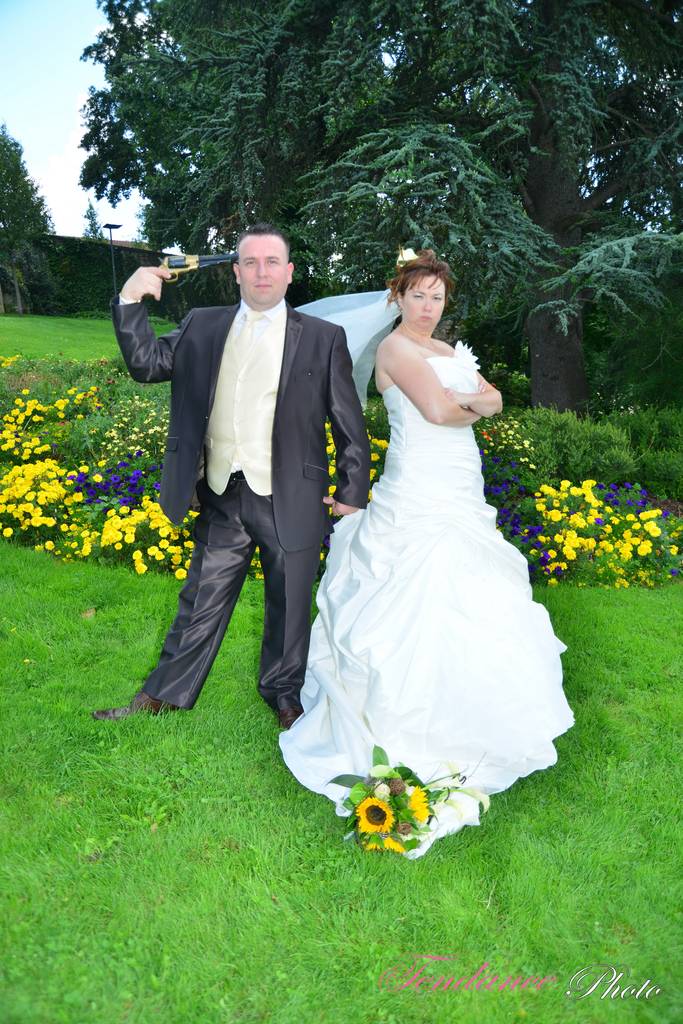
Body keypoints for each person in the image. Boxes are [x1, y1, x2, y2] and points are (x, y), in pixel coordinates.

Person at [279, 249, 574, 857]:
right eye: (418, 295)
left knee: (475, 595)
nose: (428, 306)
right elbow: (440, 410)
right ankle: (403, 728)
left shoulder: (445, 350)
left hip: (462, 485)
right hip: (418, 489)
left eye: (437, 297)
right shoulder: (394, 349)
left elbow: (495, 400)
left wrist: (477, 403)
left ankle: (475, 720)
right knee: (418, 594)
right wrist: (475, 404)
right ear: (398, 298)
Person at [92, 224, 370, 730]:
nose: (262, 272)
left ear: (289, 272)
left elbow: (348, 421)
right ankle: (163, 694)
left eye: (272, 262)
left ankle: (284, 696)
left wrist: (352, 490)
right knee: (201, 599)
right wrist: (130, 299)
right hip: (223, 490)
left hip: (293, 493)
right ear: (237, 272)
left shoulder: (323, 338)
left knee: (289, 605)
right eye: (251, 262)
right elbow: (148, 365)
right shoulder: (202, 324)